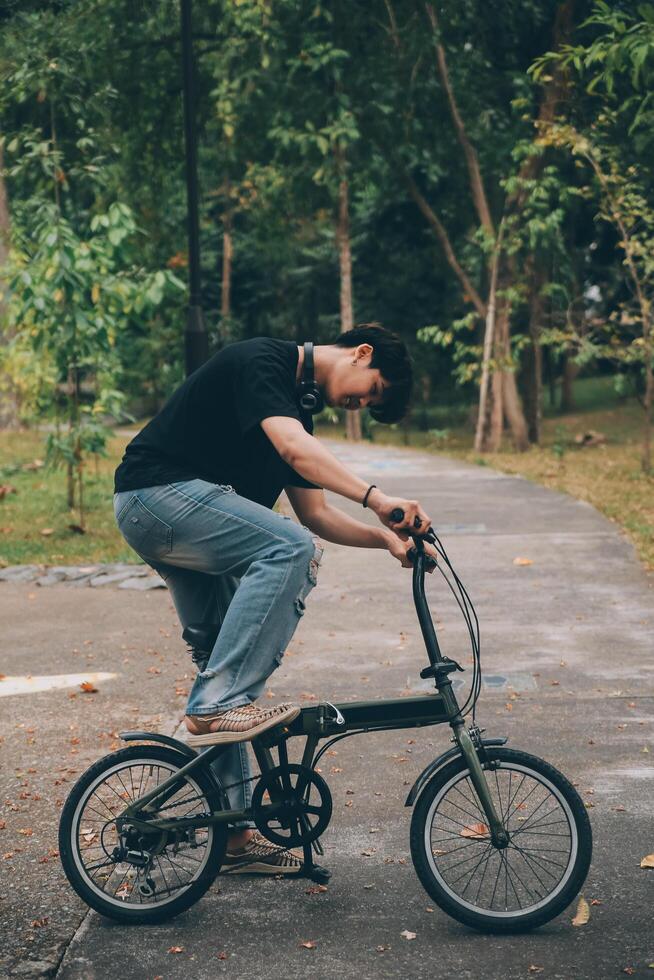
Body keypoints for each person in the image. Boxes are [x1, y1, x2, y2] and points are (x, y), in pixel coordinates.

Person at [113, 323, 436, 874]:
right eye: (373, 390)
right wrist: (377, 498)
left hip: (177, 517)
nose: (361, 404)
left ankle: (233, 839)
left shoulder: (295, 413)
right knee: (289, 550)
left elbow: (317, 514)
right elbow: (294, 456)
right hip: (156, 498)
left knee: (223, 673)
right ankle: (216, 705)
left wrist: (386, 537)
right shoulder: (263, 363)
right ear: (362, 354)